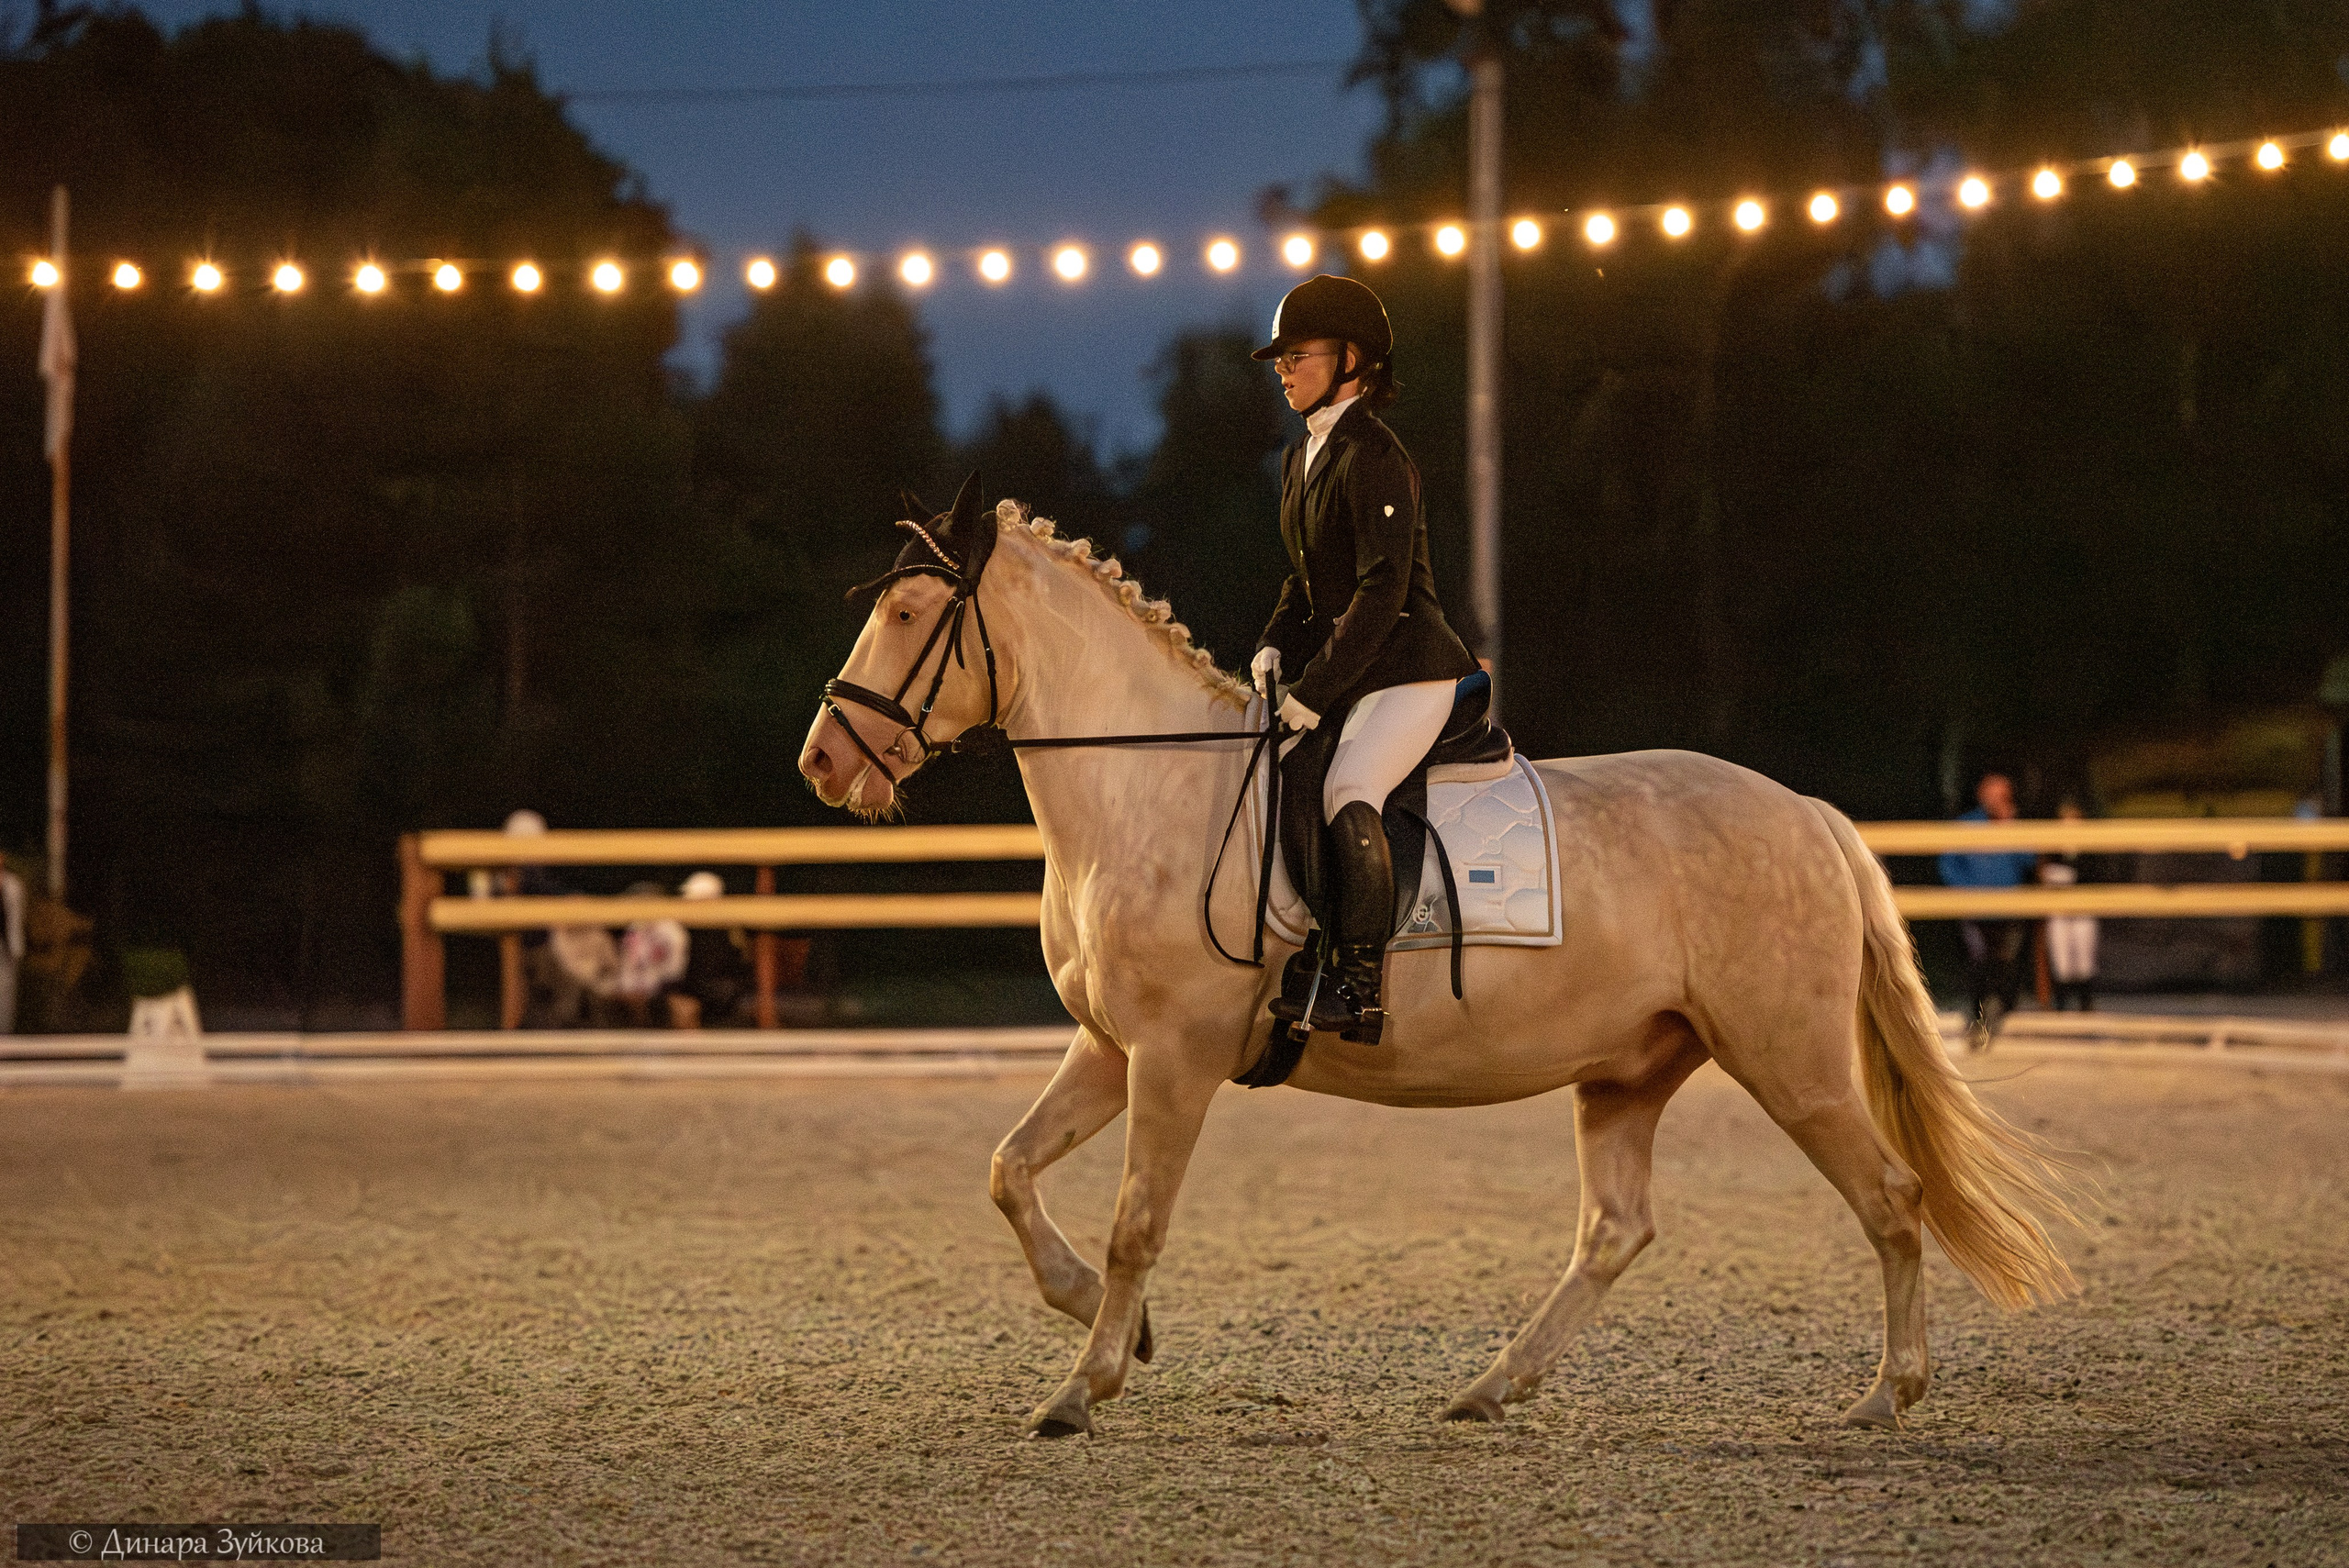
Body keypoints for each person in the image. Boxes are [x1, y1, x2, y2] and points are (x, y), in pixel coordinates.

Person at [1248, 274, 1481, 1044]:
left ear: (1351, 360)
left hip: (1412, 663)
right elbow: (1305, 578)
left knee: (1350, 783)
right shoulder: (1302, 457)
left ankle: (1359, 984)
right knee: (1288, 770)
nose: (1283, 369)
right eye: (1278, 359)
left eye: (1297, 356)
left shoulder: (1376, 453)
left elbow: (1382, 591)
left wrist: (1314, 689)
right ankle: (1311, 952)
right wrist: (1275, 639)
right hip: (1357, 666)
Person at [1938, 772, 2038, 1050]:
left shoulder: (2015, 825)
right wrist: (1965, 891)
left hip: (2010, 912)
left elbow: (2029, 860)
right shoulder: (1967, 825)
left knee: (2005, 965)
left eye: (2002, 795)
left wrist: (2010, 827)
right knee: (1978, 963)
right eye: (1991, 794)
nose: (1996, 800)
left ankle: (1995, 1015)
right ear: (1981, 795)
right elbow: (1948, 863)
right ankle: (1977, 1017)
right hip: (1975, 910)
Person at [2040, 798, 2099, 1011]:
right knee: (2061, 958)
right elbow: (2044, 874)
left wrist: (2068, 877)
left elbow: (2094, 875)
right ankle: (2062, 1005)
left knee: (2084, 957)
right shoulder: (2053, 849)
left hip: (2084, 909)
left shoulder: (2090, 849)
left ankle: (2086, 1004)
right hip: (2059, 909)